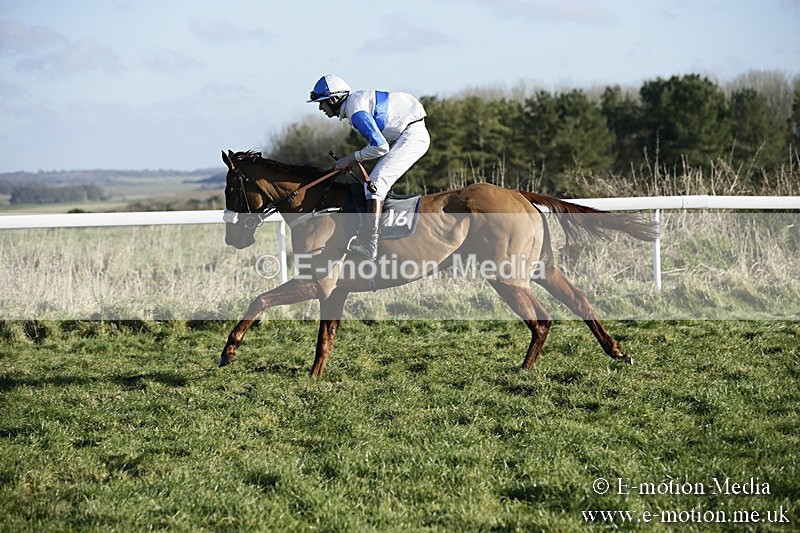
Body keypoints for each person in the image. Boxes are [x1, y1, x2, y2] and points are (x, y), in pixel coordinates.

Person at [307, 74, 430, 260]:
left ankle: (369, 245)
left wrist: (350, 159)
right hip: (407, 133)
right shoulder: (354, 105)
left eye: (321, 102)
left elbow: (380, 146)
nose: (320, 108)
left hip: (412, 136)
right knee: (372, 182)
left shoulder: (355, 111)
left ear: (333, 100)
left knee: (375, 183)